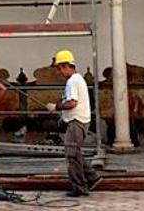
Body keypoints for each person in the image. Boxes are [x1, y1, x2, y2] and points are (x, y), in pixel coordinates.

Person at [46, 49, 101, 197]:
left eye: (59, 68)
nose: (59, 72)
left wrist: (56, 107)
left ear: (65, 66)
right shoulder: (77, 79)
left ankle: (80, 187)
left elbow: (72, 103)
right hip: (80, 120)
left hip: (76, 121)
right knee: (75, 153)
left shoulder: (72, 81)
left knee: (71, 155)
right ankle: (93, 177)